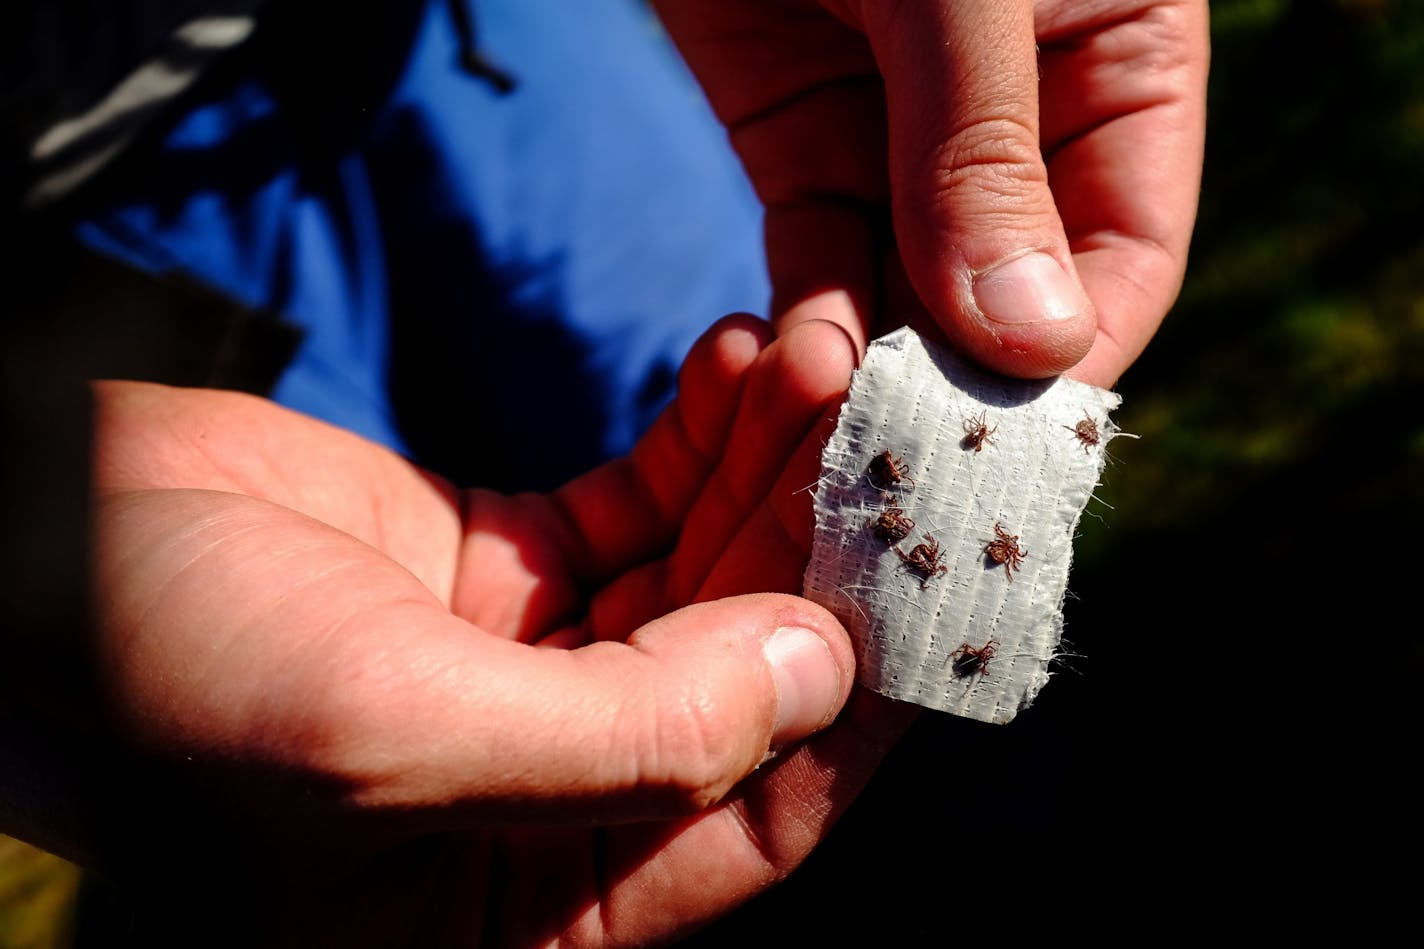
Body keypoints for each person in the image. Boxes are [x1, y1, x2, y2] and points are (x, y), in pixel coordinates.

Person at [1, 0, 1208, 944]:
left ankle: (998, 848)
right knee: (437, 744)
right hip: (70, 223)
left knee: (782, 404)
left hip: (446, 32)